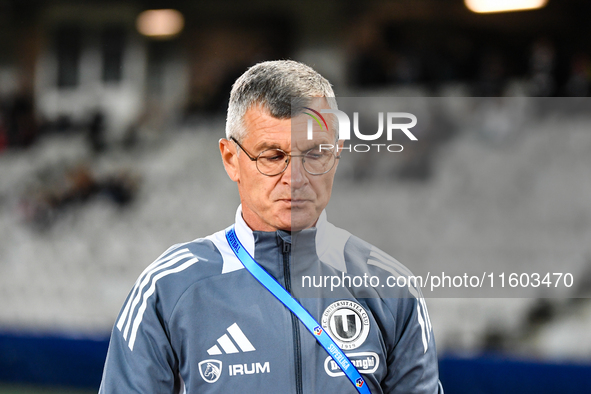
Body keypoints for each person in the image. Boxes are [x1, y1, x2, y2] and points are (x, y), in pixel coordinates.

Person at [99, 60, 442, 393]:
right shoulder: (168, 289)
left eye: (315, 154)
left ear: (336, 154)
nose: (295, 179)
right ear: (231, 159)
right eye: (273, 156)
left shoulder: (392, 288)